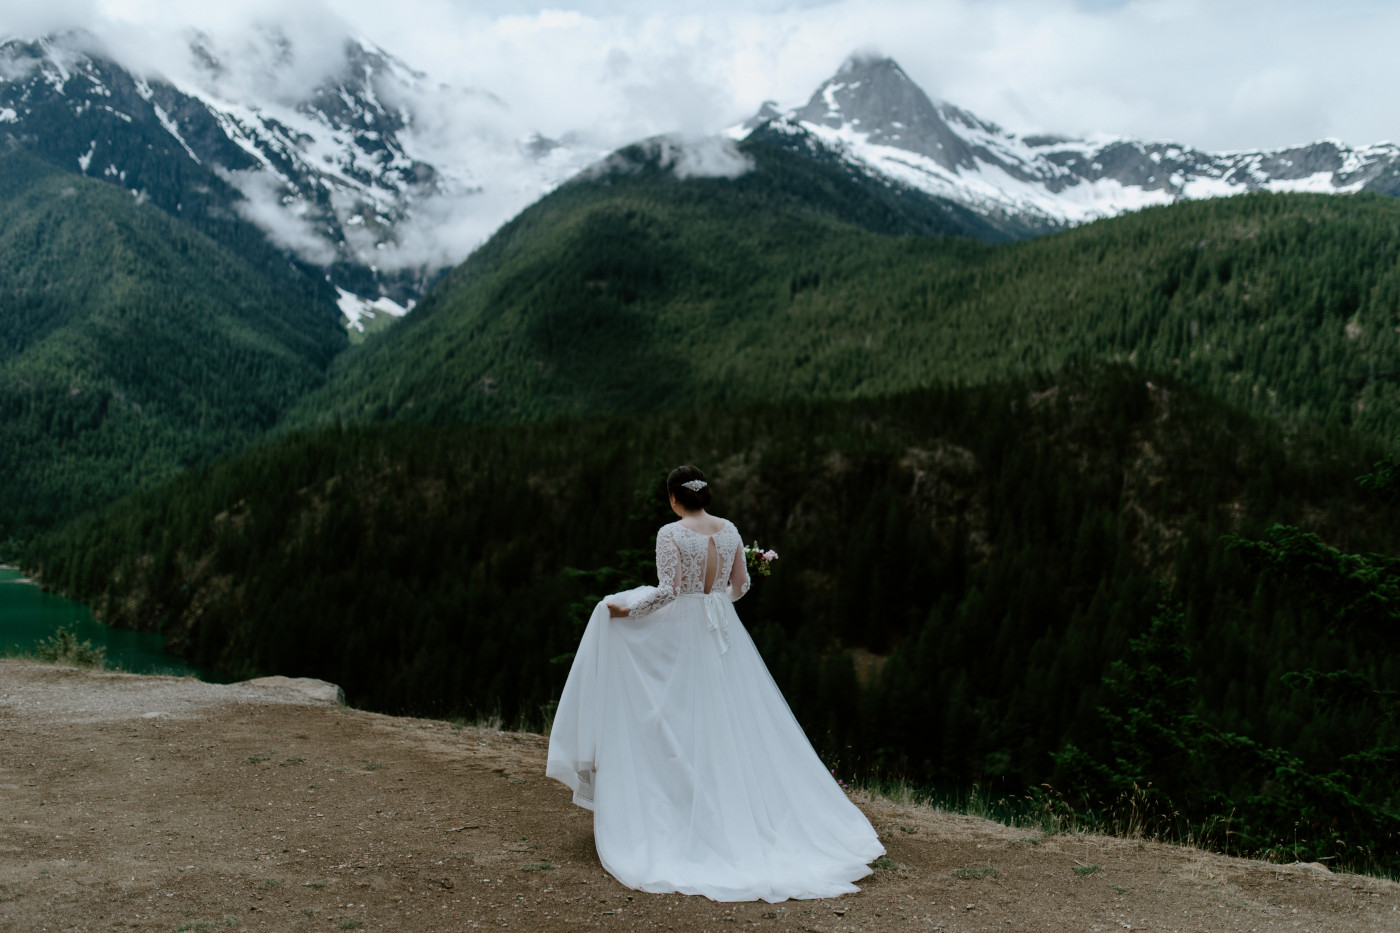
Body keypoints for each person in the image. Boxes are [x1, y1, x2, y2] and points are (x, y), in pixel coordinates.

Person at [546, 465, 885, 903]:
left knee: (678, 714)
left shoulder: (671, 534)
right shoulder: (730, 531)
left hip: (683, 630)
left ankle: (686, 806)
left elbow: (667, 590)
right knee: (732, 717)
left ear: (673, 497)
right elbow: (740, 585)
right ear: (704, 494)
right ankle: (732, 806)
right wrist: (715, 604)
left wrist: (624, 612)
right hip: (721, 629)